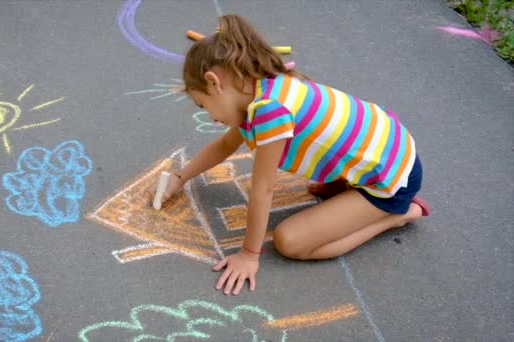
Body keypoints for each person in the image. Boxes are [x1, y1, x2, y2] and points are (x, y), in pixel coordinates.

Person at [149, 14, 431, 296]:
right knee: (317, 192)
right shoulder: (262, 87)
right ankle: (350, 188)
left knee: (291, 242)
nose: (210, 117)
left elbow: (263, 189)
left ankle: (398, 215)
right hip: (390, 147)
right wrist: (180, 177)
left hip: (391, 181)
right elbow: (225, 146)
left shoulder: (270, 111)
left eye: (203, 105)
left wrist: (249, 254)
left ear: (214, 82)